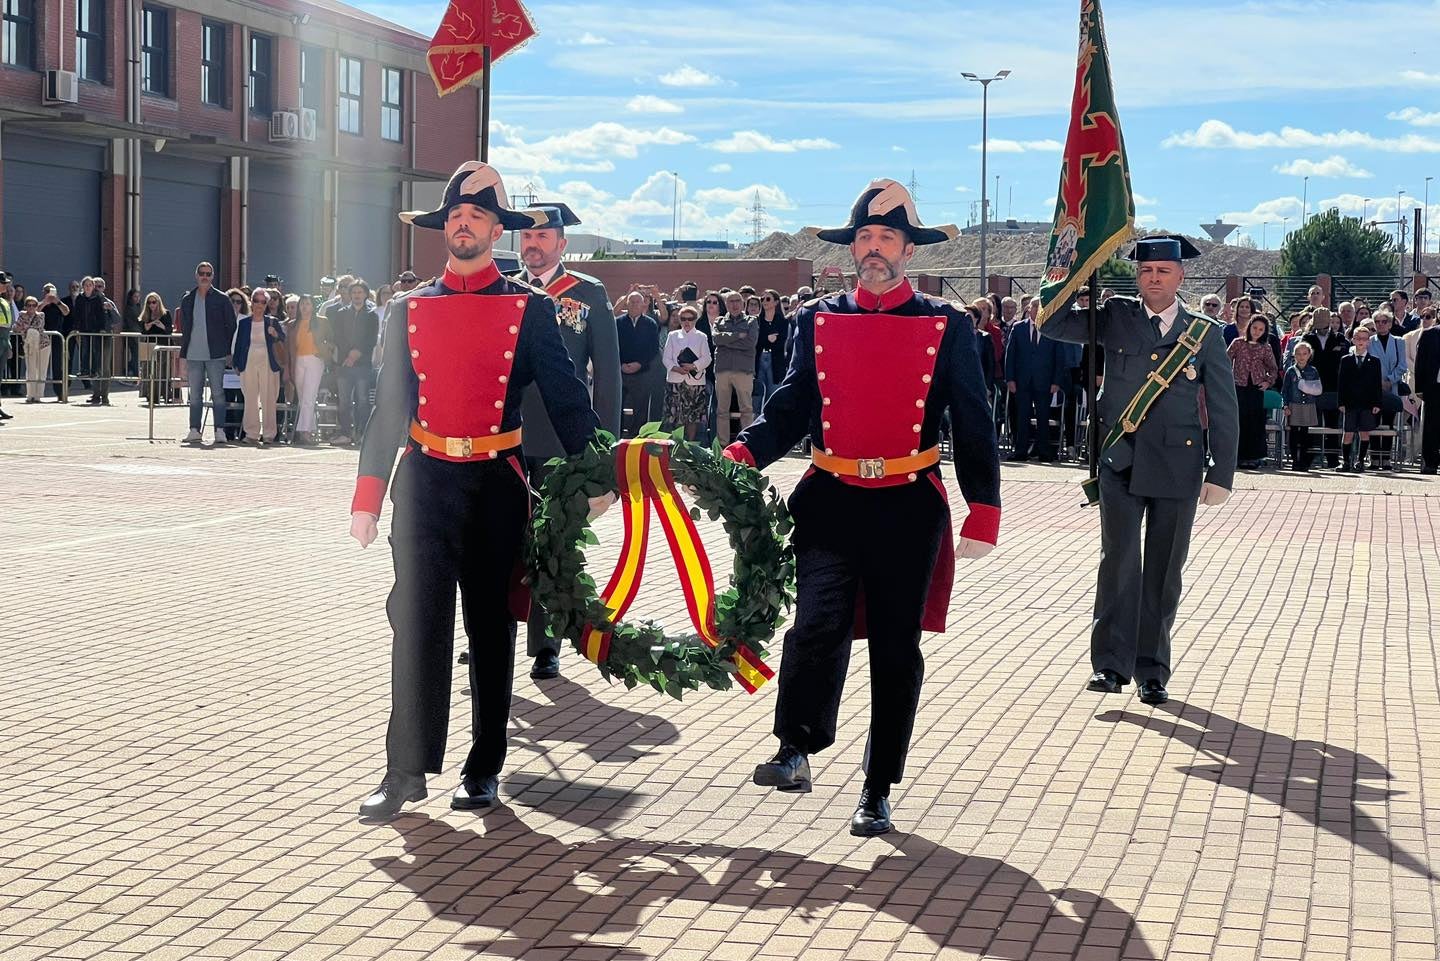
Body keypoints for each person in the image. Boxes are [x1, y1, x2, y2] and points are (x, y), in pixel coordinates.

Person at [726, 179, 1000, 837]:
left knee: (894, 648)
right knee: (815, 624)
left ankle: (877, 788)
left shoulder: (947, 323)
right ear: (853, 249)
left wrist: (982, 507)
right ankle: (796, 747)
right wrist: (740, 454)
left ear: (909, 249)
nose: (874, 250)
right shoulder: (816, 318)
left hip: (909, 505)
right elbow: (789, 407)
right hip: (830, 498)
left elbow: (974, 419)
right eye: (865, 239)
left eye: (887, 239)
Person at [349, 161, 608, 823]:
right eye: (455, 216)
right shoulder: (408, 309)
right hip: (427, 482)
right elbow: (388, 408)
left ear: (497, 228)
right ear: (446, 228)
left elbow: (568, 401)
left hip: (497, 481)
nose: (463, 224)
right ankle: (404, 770)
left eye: (477, 215)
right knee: (417, 627)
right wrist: (367, 494)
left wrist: (601, 473)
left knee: (491, 629)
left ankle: (484, 765)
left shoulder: (530, 307)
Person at [1041, 235, 1239, 705]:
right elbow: (1052, 325)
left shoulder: (1204, 332)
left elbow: (1225, 407)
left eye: (1164, 271)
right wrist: (1066, 274)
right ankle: (1110, 665)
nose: (1154, 278)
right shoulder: (1115, 318)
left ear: (1180, 276)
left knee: (1165, 571)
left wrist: (1221, 472)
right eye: (1147, 271)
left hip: (1178, 464)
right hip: (1120, 460)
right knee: (1119, 563)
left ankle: (1153, 669)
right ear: (1138, 275)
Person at [508, 201, 621, 680]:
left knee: (553, 543)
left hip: (562, 439)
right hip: (506, 434)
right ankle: (490, 630)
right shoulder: (504, 288)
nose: (532, 246)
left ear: (561, 244)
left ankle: (546, 643)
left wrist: (604, 451)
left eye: (542, 238)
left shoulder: (588, 294)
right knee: (501, 540)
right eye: (526, 238)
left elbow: (609, 378)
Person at [173, 262, 239, 446]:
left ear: (212, 276)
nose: (205, 276)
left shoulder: (222, 299)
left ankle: (220, 430)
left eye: (208, 274)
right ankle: (194, 430)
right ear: (196, 275)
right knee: (194, 394)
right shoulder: (187, 299)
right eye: (201, 273)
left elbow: (231, 325)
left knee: (218, 393)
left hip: (216, 354)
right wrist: (184, 354)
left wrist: (227, 351)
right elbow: (185, 328)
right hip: (193, 354)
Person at [1004, 303, 1067, 462]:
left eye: (1041, 307)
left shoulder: (1051, 328)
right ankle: (1021, 451)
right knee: (1022, 417)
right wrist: (1010, 379)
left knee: (1043, 417)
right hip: (1022, 381)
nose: (1038, 309)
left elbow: (1059, 357)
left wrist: (1056, 381)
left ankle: (1044, 452)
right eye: (1035, 307)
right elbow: (1010, 355)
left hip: (1044, 381)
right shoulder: (1018, 328)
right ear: (1028, 309)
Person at [232, 288, 287, 445]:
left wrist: (275, 334)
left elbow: (283, 338)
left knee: (269, 399)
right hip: (248, 363)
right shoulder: (244, 323)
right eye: (256, 300)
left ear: (266, 304)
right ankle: (251, 433)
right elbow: (239, 344)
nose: (259, 304)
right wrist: (236, 363)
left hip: (268, 363)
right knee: (250, 398)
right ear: (251, 302)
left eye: (263, 302)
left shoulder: (272, 321)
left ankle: (269, 434)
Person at [330, 280, 380, 446]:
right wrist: (348, 355)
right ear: (350, 295)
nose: (357, 295)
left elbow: (371, 339)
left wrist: (357, 353)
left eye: (360, 292)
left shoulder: (372, 315)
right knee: (344, 401)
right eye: (354, 292)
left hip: (363, 365)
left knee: (363, 400)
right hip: (344, 364)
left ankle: (361, 433)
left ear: (365, 294)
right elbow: (338, 336)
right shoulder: (341, 313)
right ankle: (345, 433)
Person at [1227, 315, 1279, 469]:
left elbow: (1273, 369)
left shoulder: (1266, 347)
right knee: (1239, 421)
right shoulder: (1238, 343)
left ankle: (1254, 457)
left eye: (1261, 329)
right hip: (1238, 386)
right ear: (1249, 327)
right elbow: (1225, 360)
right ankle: (1238, 456)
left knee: (1255, 422)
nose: (1257, 332)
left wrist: (1267, 381)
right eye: (1255, 328)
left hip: (1256, 388)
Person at [712, 290, 758, 446]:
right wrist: (738, 335)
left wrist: (727, 338)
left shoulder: (751, 321)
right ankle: (723, 444)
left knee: (746, 408)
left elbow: (750, 343)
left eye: (737, 301)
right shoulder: (719, 321)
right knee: (721, 410)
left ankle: (747, 443)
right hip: (723, 370)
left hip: (743, 370)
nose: (735, 304)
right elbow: (717, 339)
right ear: (726, 304)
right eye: (731, 301)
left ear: (743, 303)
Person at [286, 295, 332, 446]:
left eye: (308, 304)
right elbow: (289, 346)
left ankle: (304, 432)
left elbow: (331, 340)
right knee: (303, 397)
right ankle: (309, 429)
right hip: (298, 360)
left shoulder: (322, 321)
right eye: (302, 304)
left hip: (315, 359)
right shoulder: (293, 324)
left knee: (309, 396)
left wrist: (324, 351)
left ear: (313, 306)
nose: (305, 307)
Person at [662, 304, 711, 440]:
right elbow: (666, 358)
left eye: (690, 318)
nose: (686, 322)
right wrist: (676, 368)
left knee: (692, 417)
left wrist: (693, 366)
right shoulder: (673, 335)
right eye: (683, 319)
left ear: (695, 319)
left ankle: (689, 445)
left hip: (694, 382)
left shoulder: (702, 336)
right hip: (675, 380)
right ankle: (677, 444)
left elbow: (707, 358)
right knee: (675, 416)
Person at [1338, 326, 1383, 472]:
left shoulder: (1374, 361)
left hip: (1367, 403)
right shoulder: (1346, 360)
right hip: (1350, 402)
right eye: (1358, 338)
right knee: (1348, 432)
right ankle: (1345, 461)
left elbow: (1377, 384)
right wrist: (1341, 402)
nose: (1361, 341)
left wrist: (1377, 403)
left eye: (1364, 338)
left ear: (1368, 341)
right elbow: (1341, 383)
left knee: (1364, 432)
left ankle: (1360, 461)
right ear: (1353, 340)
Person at [617, 291, 661, 436]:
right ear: (627, 304)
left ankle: (637, 437)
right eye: (632, 302)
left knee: (641, 408)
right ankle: (618, 436)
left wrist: (640, 364)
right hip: (621, 372)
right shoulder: (618, 323)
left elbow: (653, 348)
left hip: (642, 373)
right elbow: (613, 346)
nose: (635, 305)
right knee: (618, 406)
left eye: (638, 302)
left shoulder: (650, 323)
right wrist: (621, 364)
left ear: (643, 304)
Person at [1367, 310, 1407, 467]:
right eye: (1377, 322)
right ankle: (1375, 458)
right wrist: (1377, 382)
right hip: (1373, 389)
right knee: (1373, 422)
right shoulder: (1370, 341)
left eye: (1384, 321)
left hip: (1392, 387)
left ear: (1390, 324)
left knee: (1388, 423)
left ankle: (1387, 458)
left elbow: (1402, 365)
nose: (1380, 325)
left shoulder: (1399, 342)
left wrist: (1390, 380)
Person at [1281, 341, 1322, 471]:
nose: (1301, 356)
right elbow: (1285, 390)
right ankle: (1295, 461)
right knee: (1293, 434)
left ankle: (1304, 461)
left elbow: (1317, 388)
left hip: (1308, 405)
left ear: (1309, 354)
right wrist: (1285, 406)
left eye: (1304, 353)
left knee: (1305, 434)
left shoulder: (1313, 371)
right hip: (1294, 404)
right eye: (1298, 354)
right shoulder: (1290, 371)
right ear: (1294, 355)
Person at [753, 288, 787, 410]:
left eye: (768, 299)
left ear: (776, 302)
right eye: (762, 299)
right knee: (757, 395)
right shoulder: (756, 320)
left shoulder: (782, 321)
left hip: (775, 360)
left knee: (773, 393)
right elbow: (756, 342)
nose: (764, 301)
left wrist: (767, 340)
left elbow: (781, 342)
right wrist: (768, 339)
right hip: (759, 358)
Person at [1414, 313, 1440, 474]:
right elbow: (1420, 362)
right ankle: (1430, 463)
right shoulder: (1430, 334)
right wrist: (1419, 389)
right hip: (1434, 386)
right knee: (1432, 425)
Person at [138, 292, 173, 406]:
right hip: (149, 345)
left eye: (154, 302)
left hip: (162, 346)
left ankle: (164, 394)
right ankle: (150, 395)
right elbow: (143, 332)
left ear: (158, 302)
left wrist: (161, 325)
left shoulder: (165, 313)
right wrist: (146, 327)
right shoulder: (145, 315)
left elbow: (169, 331)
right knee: (148, 371)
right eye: (149, 303)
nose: (151, 305)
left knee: (162, 371)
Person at [14, 295, 50, 404]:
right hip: (29, 345)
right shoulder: (21, 314)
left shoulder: (41, 315)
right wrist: (23, 327)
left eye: (34, 305)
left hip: (43, 345)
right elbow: (15, 328)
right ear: (25, 306)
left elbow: (37, 327)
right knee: (30, 370)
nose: (31, 308)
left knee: (41, 370)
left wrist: (23, 327)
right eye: (29, 305)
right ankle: (30, 395)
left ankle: (38, 396)